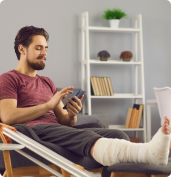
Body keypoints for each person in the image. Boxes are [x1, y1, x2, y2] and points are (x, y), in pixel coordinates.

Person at [0, 26, 170, 167]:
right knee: (84, 136)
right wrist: (48, 106)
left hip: (57, 130)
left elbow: (65, 121)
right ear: (22, 49)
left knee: (118, 135)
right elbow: (7, 116)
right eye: (38, 48)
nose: (44, 53)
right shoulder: (9, 79)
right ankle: (150, 154)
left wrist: (72, 115)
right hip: (34, 132)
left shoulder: (47, 82)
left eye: (45, 48)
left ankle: (137, 158)